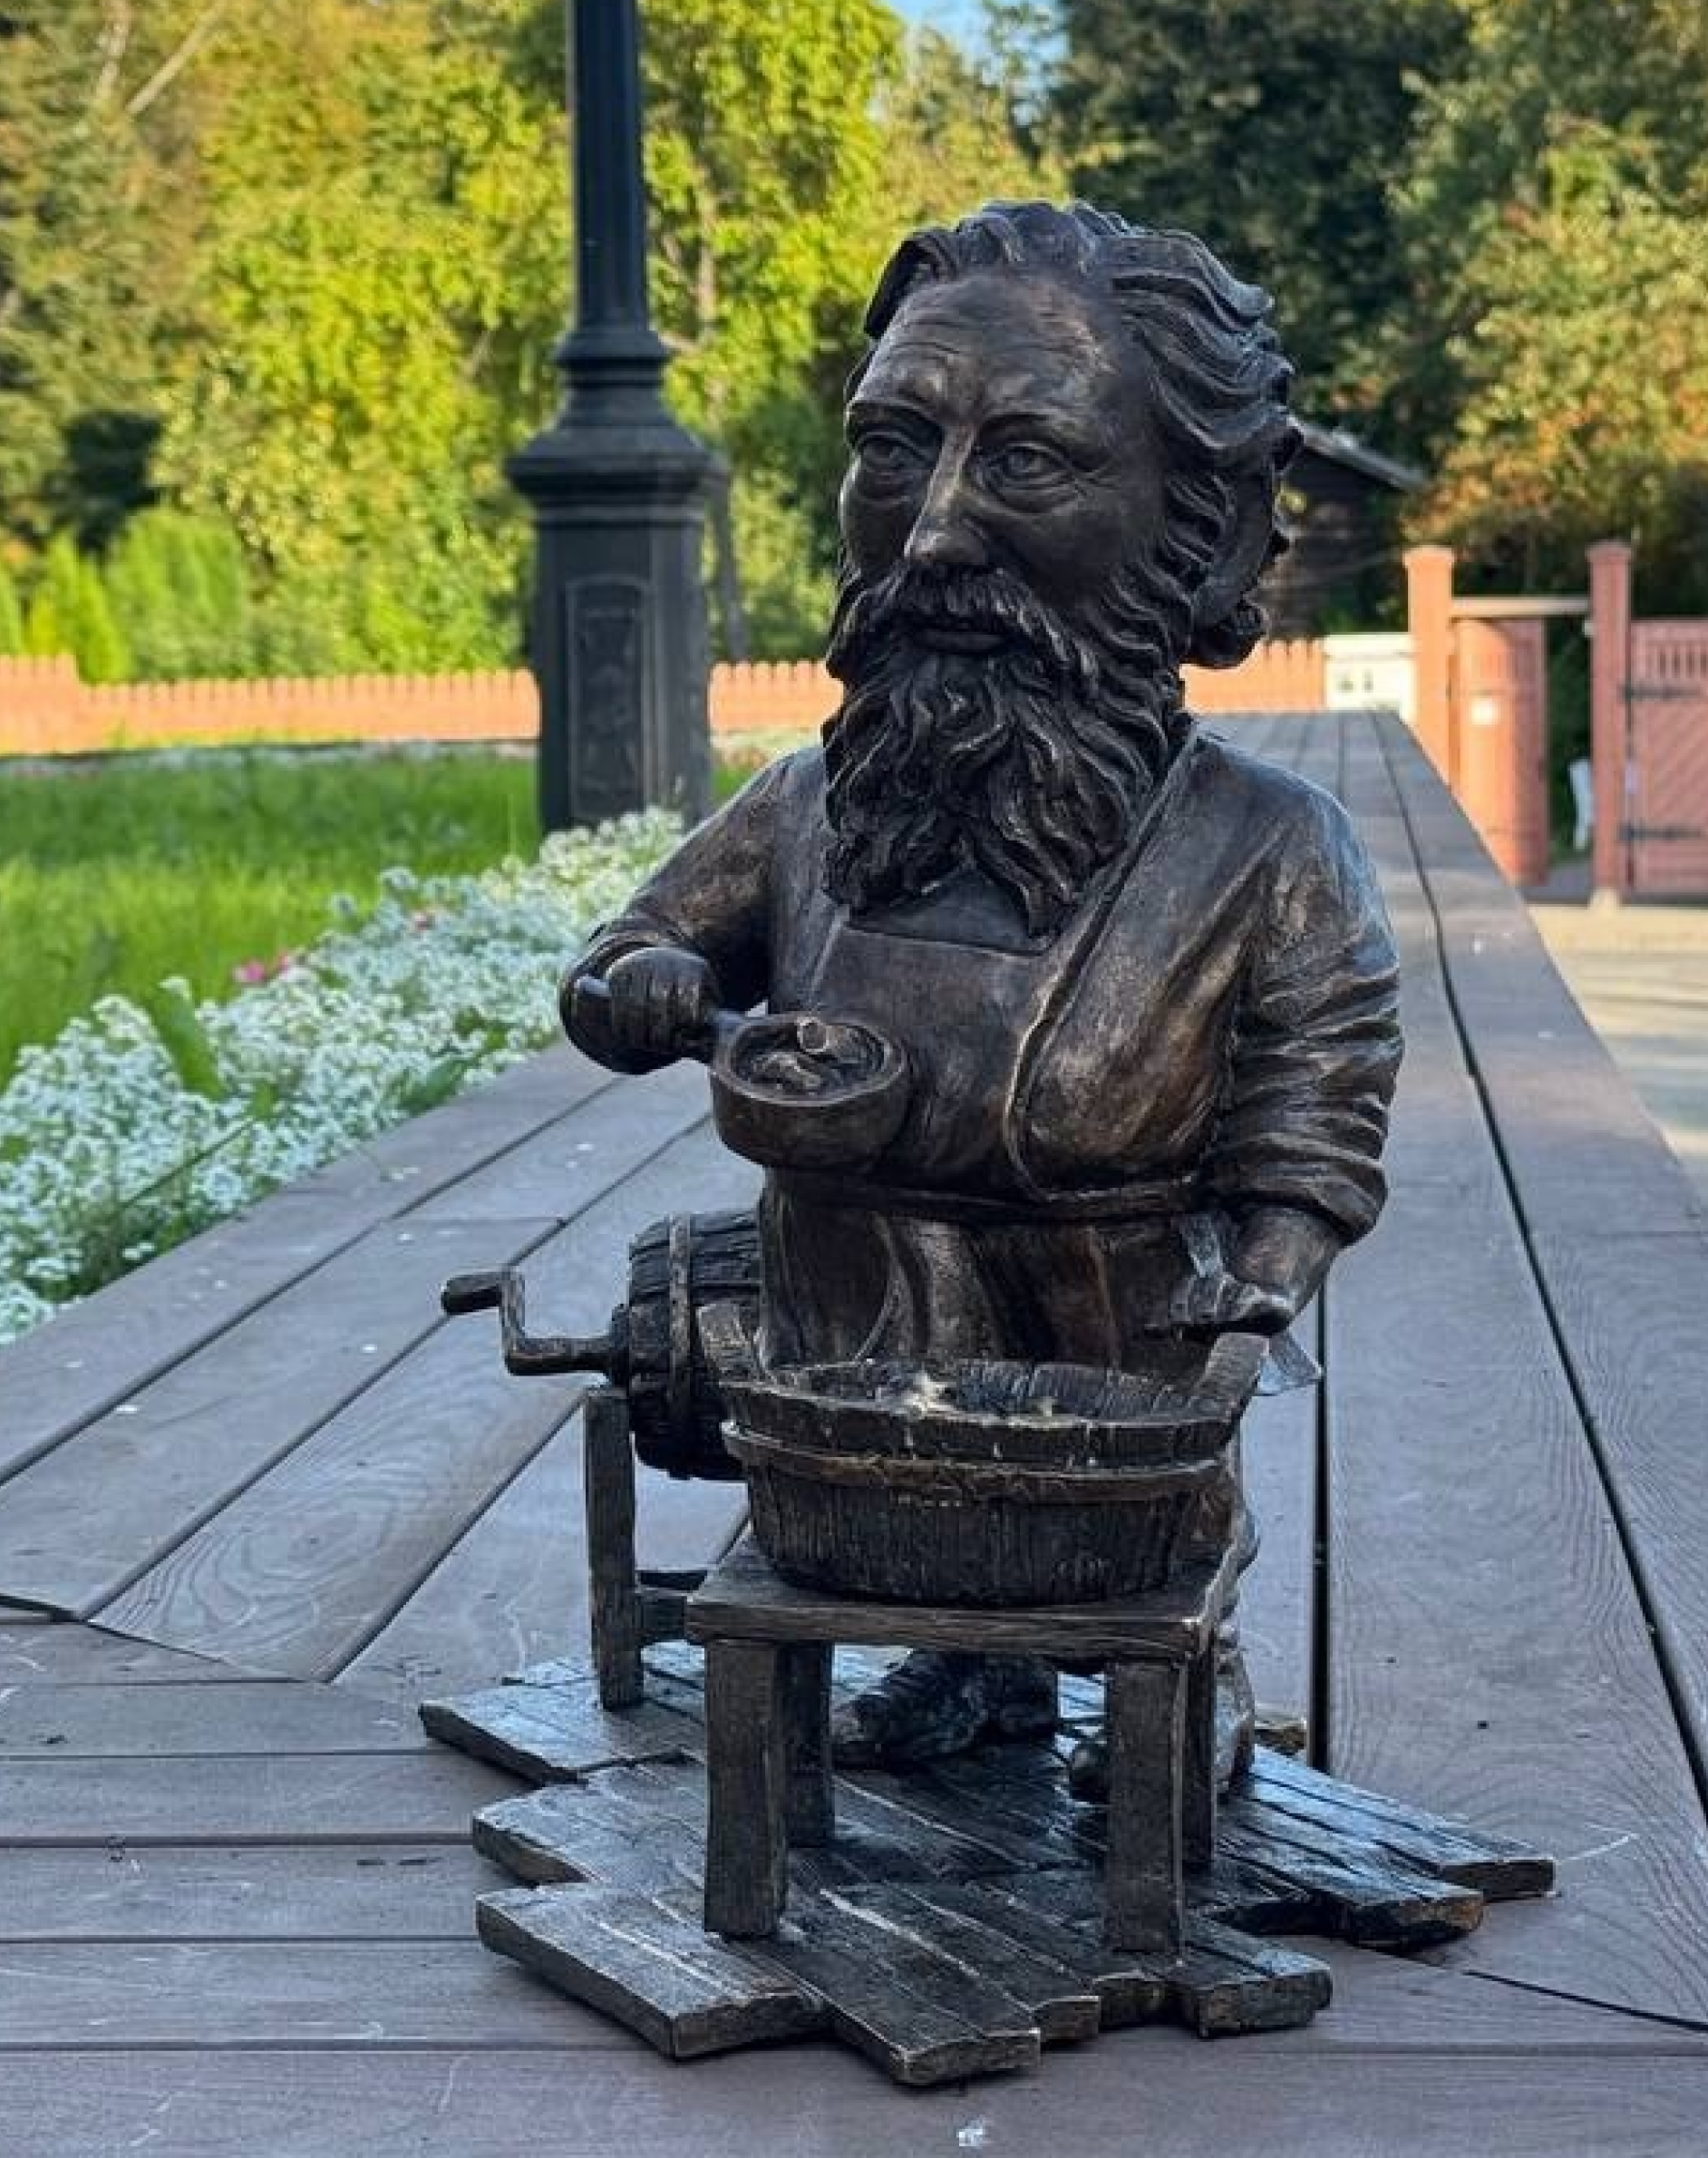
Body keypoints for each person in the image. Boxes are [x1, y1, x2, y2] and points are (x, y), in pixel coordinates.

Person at [562, 201, 1402, 1785]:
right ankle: (959, 1663)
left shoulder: (1266, 849)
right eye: (894, 451)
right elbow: (618, 961)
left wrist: (1268, 1273)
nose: (934, 533)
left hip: (1117, 1361)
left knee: (1142, 1559)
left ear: (1200, 532)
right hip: (844, 1346)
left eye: (1026, 463)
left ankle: (1187, 1672)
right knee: (874, 1549)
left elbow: (1321, 1096)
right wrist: (646, 984)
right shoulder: (808, 809)